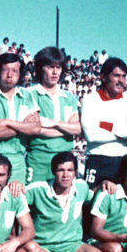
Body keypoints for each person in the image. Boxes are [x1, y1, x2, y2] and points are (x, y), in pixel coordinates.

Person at [26, 152, 108, 252]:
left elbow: (92, 196)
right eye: (61, 170)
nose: (65, 175)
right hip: (45, 246)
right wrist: (16, 185)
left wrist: (104, 184)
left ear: (75, 172)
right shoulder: (38, 189)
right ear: (53, 171)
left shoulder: (81, 187)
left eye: (70, 170)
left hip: (72, 246)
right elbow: (15, 201)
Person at [80, 57, 127, 188]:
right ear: (103, 77)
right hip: (97, 158)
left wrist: (105, 125)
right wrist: (123, 133)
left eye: (123, 76)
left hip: (123, 160)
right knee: (92, 197)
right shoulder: (90, 100)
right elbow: (92, 135)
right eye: (116, 76)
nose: (121, 80)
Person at [27, 47, 81, 184]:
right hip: (39, 159)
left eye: (58, 67)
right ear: (41, 68)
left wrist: (54, 123)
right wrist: (66, 129)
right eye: (50, 67)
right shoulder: (29, 94)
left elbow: (77, 129)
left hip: (65, 160)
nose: (55, 72)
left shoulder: (68, 97)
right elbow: (35, 129)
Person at [0, 53, 40, 183]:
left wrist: (6, 122)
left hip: (18, 161)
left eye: (14, 71)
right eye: (5, 70)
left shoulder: (27, 95)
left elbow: (36, 128)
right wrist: (23, 126)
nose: (9, 75)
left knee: (16, 194)